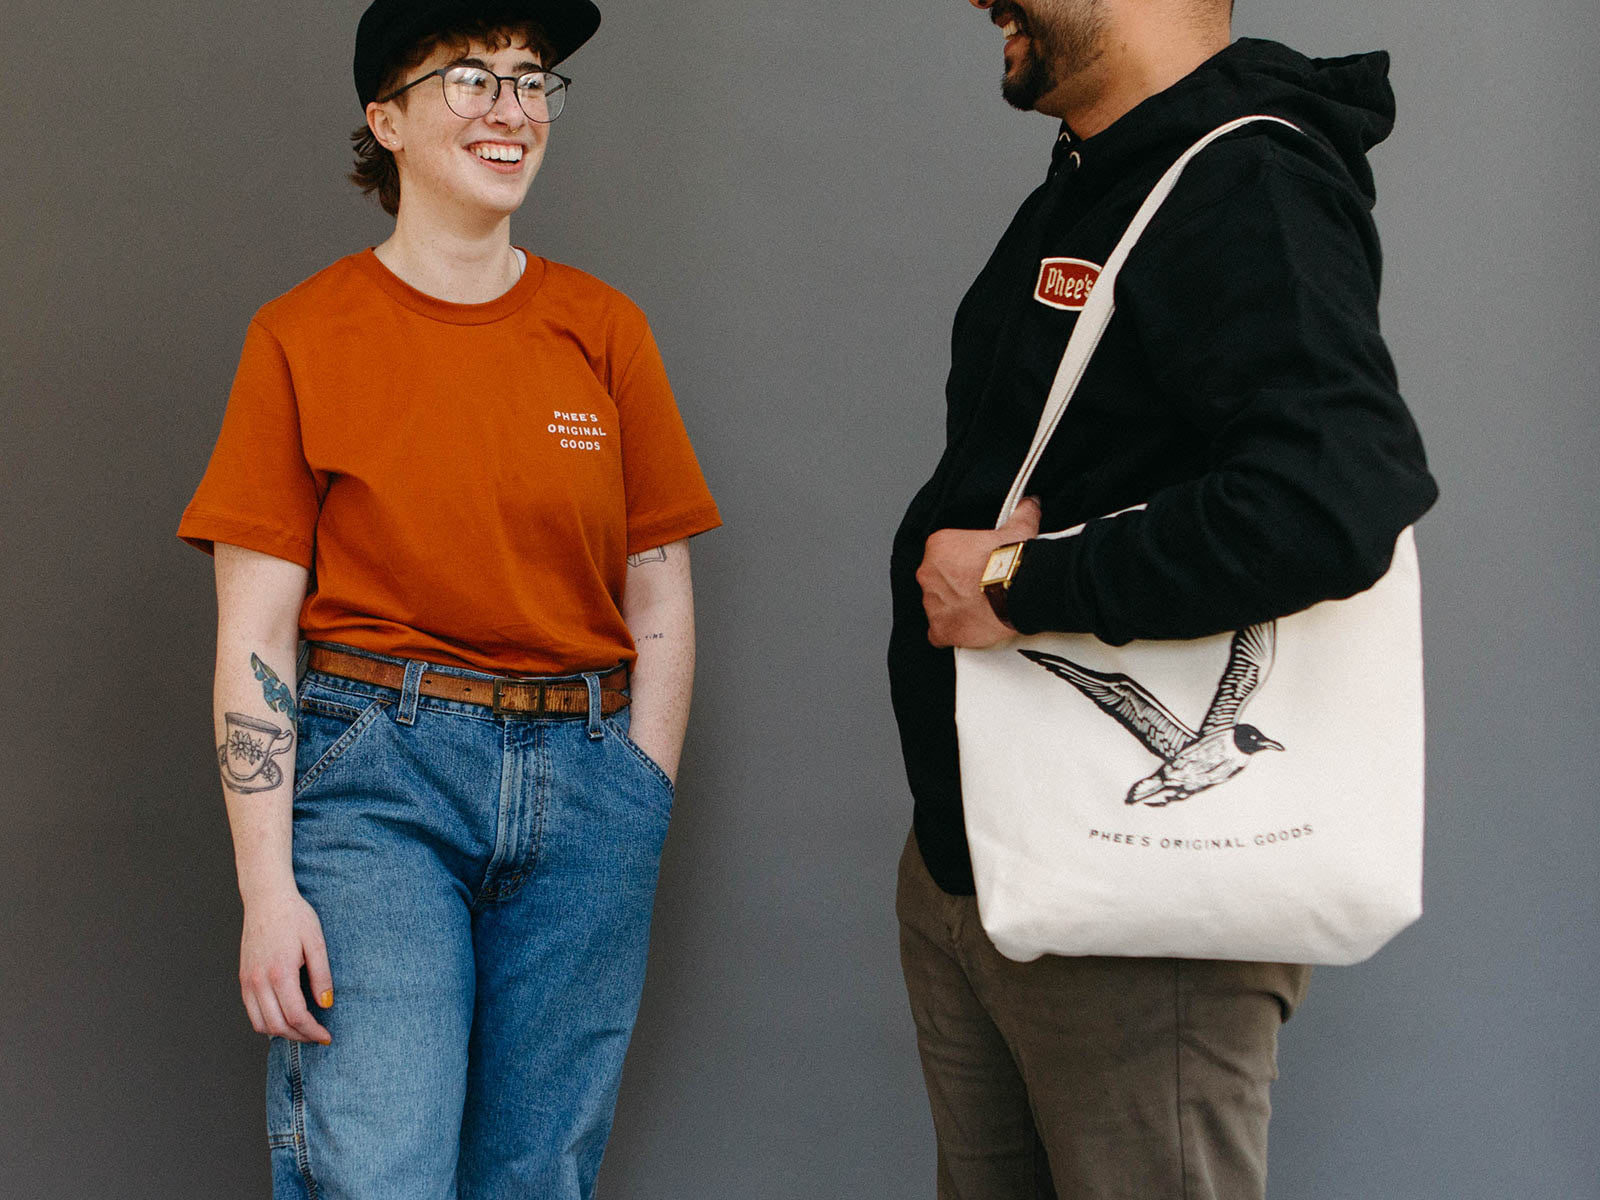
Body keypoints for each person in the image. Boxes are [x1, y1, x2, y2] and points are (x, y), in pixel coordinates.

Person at [889, 1, 1437, 1197]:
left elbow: (1333, 492)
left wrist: (1021, 583)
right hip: (985, 852)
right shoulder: (1101, 177)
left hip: (1137, 903)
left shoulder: (1243, 178)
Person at [177, 1, 720, 1195]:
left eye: (531, 83)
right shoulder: (302, 337)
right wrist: (268, 891)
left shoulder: (602, 330)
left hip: (588, 786)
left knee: (541, 1173)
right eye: (468, 80)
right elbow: (255, 631)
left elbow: (659, 578)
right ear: (387, 119)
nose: (511, 109)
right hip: (379, 781)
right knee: (379, 1165)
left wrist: (639, 791)